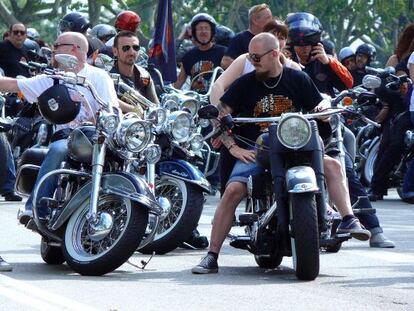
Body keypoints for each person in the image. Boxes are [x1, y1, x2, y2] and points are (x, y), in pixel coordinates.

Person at [192, 33, 370, 274]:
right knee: (233, 190)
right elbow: (219, 113)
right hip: (258, 148)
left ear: (274, 54)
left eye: (256, 57)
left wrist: (324, 110)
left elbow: (318, 104)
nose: (252, 61)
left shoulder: (298, 79)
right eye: (250, 56)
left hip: (297, 146)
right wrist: (232, 146)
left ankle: (348, 218)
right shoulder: (244, 84)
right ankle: (212, 255)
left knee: (334, 166)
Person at [0, 32, 119, 225]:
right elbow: (13, 84)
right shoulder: (53, 78)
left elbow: (112, 110)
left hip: (97, 137)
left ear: (74, 49)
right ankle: (35, 209)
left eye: (57, 45)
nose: (52, 49)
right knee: (57, 149)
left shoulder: (99, 76)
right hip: (67, 138)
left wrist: (95, 119)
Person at [210, 19, 301, 196]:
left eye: (282, 37)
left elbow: (313, 102)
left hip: (285, 134)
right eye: (273, 35)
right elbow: (217, 87)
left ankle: (327, 208)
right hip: (244, 125)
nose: (278, 39)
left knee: (325, 161)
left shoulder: (294, 70)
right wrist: (219, 125)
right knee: (231, 183)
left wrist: (323, 110)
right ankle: (225, 203)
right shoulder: (245, 62)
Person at [287, 12, 353, 97]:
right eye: (299, 45)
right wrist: (283, 62)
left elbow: (348, 85)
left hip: (326, 108)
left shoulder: (325, 61)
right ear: (291, 45)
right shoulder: (284, 62)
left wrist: (329, 62)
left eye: (308, 44)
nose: (305, 49)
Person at [174, 13, 226, 94]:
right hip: (195, 103)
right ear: (194, 32)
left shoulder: (223, 52)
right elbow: (178, 83)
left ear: (212, 32)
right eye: (200, 28)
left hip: (218, 102)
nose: (203, 31)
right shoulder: (188, 56)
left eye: (206, 28)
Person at [110, 30, 159, 114]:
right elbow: (107, 99)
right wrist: (132, 109)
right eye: (126, 48)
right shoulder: (107, 75)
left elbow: (155, 105)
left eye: (135, 48)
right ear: (115, 51)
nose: (132, 52)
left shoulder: (144, 75)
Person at [221, 3, 272, 69]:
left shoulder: (271, 39)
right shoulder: (239, 39)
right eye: (268, 18)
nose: (271, 21)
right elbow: (225, 62)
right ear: (255, 20)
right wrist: (249, 69)